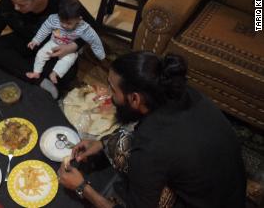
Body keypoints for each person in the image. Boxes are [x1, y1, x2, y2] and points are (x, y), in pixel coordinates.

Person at [58, 51, 246, 208]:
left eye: (112, 89)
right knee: (121, 139)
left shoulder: (150, 147)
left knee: (126, 146)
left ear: (135, 99)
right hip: (230, 190)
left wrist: (82, 187)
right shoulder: (179, 91)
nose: (108, 93)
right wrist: (101, 143)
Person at [26, 0, 105, 84]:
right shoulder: (54, 19)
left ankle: (55, 73)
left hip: (69, 48)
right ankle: (36, 72)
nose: (64, 25)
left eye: (68, 23)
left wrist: (100, 55)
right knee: (40, 54)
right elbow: (44, 29)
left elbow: (94, 40)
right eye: (62, 21)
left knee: (68, 60)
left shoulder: (83, 27)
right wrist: (36, 40)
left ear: (79, 19)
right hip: (53, 43)